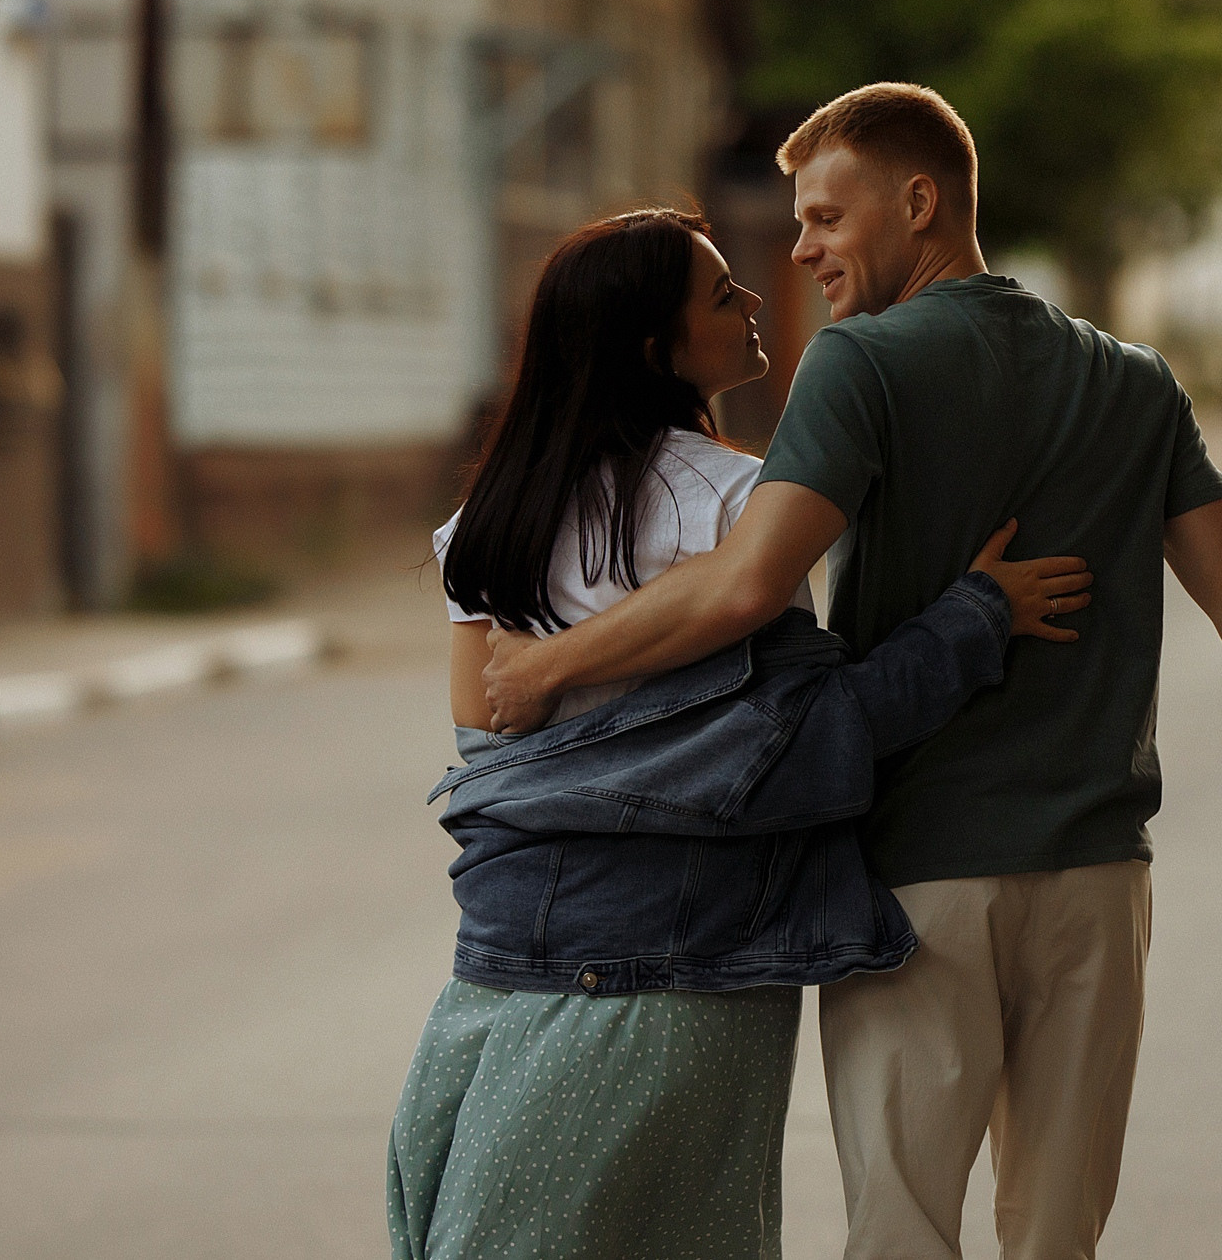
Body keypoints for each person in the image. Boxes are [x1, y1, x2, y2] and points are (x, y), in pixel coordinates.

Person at [481, 87, 1222, 1260]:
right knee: (1055, 1240)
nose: (802, 249)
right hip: (1094, 880)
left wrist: (542, 676)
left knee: (902, 1235)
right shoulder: (1133, 382)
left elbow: (742, 585)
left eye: (827, 217)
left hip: (911, 886)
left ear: (919, 201)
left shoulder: (860, 366)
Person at [391, 207, 1091, 1260]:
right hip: (685, 974)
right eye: (724, 294)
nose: (757, 299)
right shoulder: (735, 510)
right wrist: (975, 617)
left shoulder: (486, 520)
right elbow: (807, 743)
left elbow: (488, 756)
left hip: (503, 965)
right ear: (652, 349)